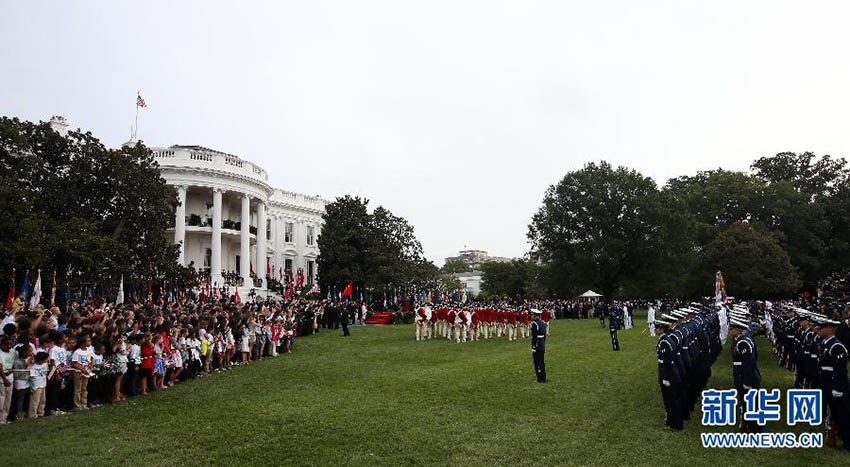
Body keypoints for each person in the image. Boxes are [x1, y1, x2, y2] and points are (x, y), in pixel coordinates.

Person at [655, 319, 682, 430]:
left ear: (662, 329)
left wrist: (666, 378)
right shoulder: (666, 339)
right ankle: (672, 421)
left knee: (670, 400)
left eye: (657, 328)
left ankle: (674, 423)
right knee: (670, 399)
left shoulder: (665, 342)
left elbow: (668, 362)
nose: (655, 330)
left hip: (667, 374)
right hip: (668, 372)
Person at [27, 351, 49, 419]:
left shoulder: (45, 365)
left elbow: (46, 372)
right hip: (36, 386)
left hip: (43, 384)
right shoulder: (33, 367)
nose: (46, 360)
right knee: (35, 401)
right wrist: (32, 387)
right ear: (40, 359)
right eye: (45, 359)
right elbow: (30, 378)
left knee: (43, 400)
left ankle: (41, 413)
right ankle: (32, 415)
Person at [530, 309, 547, 383]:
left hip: (537, 345)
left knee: (537, 362)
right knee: (542, 362)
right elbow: (545, 335)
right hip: (542, 343)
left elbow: (534, 337)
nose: (531, 316)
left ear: (535, 316)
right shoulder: (542, 322)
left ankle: (539, 378)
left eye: (532, 315)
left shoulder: (535, 324)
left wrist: (533, 347)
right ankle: (543, 377)